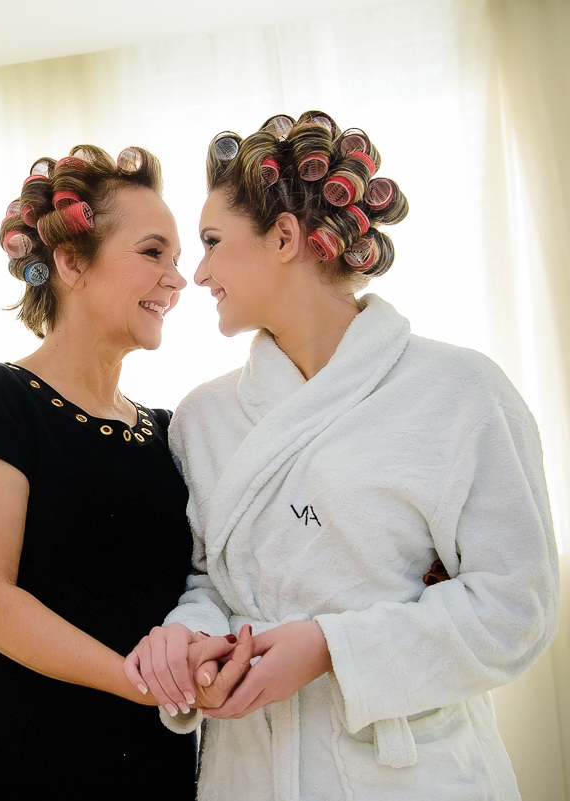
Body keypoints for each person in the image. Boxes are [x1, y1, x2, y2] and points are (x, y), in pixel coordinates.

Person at [124, 111, 560, 800]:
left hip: (412, 774)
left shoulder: (459, 392)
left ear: (285, 237)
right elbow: (211, 579)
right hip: (250, 771)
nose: (198, 272)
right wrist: (189, 639)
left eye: (211, 241)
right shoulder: (204, 418)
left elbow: (516, 607)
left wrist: (332, 649)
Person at [0, 145, 231, 798]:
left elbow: (219, 567)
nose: (178, 280)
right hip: (20, 758)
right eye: (153, 252)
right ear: (70, 261)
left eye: (178, 260)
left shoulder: (170, 429)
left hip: (152, 757)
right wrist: (143, 681)